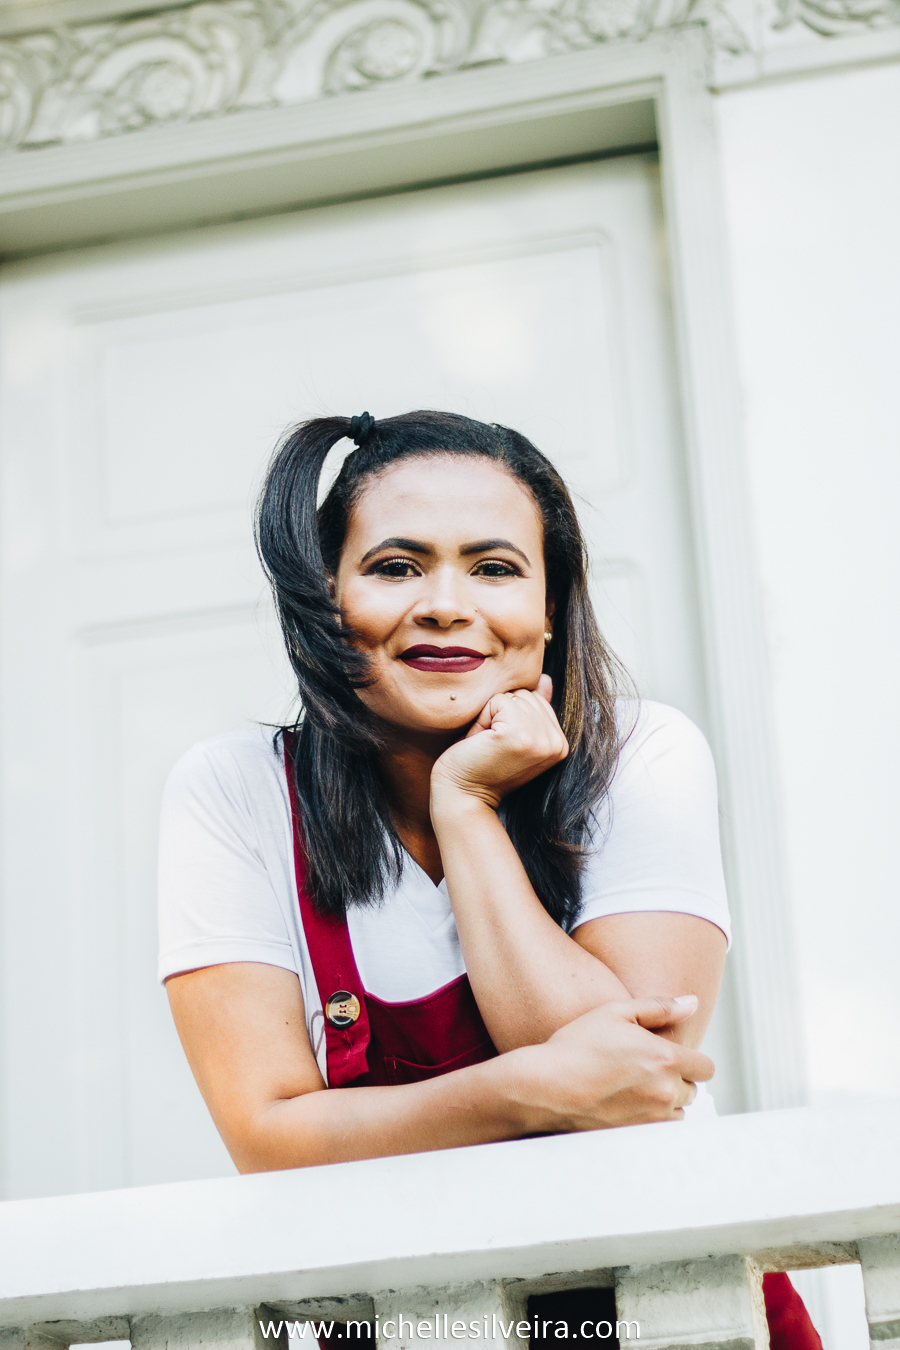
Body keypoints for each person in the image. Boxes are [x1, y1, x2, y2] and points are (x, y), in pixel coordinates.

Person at [159, 410, 820, 1349]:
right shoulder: (236, 793)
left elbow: (629, 1101)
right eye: (395, 567)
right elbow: (267, 1142)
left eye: (495, 567)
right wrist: (530, 1091)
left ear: (549, 608)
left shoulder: (640, 755)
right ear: (329, 598)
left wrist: (465, 809)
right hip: (419, 1322)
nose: (443, 602)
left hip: (672, 1307)